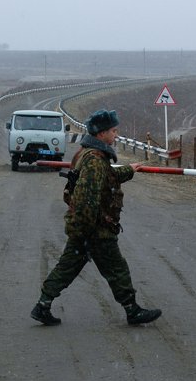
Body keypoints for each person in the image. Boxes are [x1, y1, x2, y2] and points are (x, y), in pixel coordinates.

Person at [31, 109, 162, 326]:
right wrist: (88, 231)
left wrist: (129, 170)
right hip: (95, 228)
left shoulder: (89, 153)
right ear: (101, 134)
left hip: (84, 227)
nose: (116, 135)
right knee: (116, 268)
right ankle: (132, 310)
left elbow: (107, 176)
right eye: (113, 130)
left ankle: (42, 305)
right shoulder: (94, 159)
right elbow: (87, 197)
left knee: (67, 267)